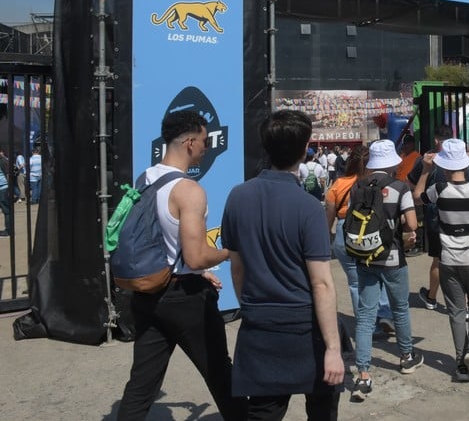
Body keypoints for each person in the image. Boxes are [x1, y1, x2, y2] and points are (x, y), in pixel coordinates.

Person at [118, 111, 247, 421]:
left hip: (149, 294)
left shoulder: (146, 178)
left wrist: (196, 268)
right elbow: (196, 256)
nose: (206, 147)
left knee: (141, 384)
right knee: (220, 373)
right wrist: (228, 253)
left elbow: (159, 241)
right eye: (204, 141)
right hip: (186, 299)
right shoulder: (189, 191)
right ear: (189, 142)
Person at [222, 110, 343, 420]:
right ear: (305, 149)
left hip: (259, 323)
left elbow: (237, 268)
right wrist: (333, 348)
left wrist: (250, 305)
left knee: (264, 411)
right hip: (305, 326)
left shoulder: (237, 197)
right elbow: (322, 283)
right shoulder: (307, 207)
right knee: (322, 408)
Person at [413, 138, 469, 381]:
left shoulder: (439, 189)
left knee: (456, 311)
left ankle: (461, 364)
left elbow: (417, 196)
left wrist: (426, 170)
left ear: (445, 166)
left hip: (447, 259)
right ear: (465, 162)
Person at [351, 139, 422, 403]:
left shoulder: (357, 186)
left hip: (364, 257)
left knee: (366, 315)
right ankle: (406, 357)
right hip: (392, 257)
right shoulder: (399, 187)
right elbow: (412, 224)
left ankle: (364, 374)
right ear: (392, 162)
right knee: (400, 308)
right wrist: (399, 221)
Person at [324, 145, 394, 332]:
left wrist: (326, 237)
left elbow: (329, 214)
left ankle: (368, 326)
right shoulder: (375, 182)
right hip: (371, 229)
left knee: (356, 283)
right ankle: (385, 313)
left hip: (343, 230)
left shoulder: (338, 185)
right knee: (380, 273)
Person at [408, 124, 455, 309]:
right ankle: (465, 303)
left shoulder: (426, 159)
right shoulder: (462, 159)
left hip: (435, 216)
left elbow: (411, 183)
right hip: (461, 215)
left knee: (438, 259)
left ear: (436, 140)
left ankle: (432, 297)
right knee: (462, 259)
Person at [0, 149, 12, 237]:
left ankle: (8, 231)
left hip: (3, 188)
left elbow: (8, 174)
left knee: (6, 210)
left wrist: (9, 189)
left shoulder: (3, 161)